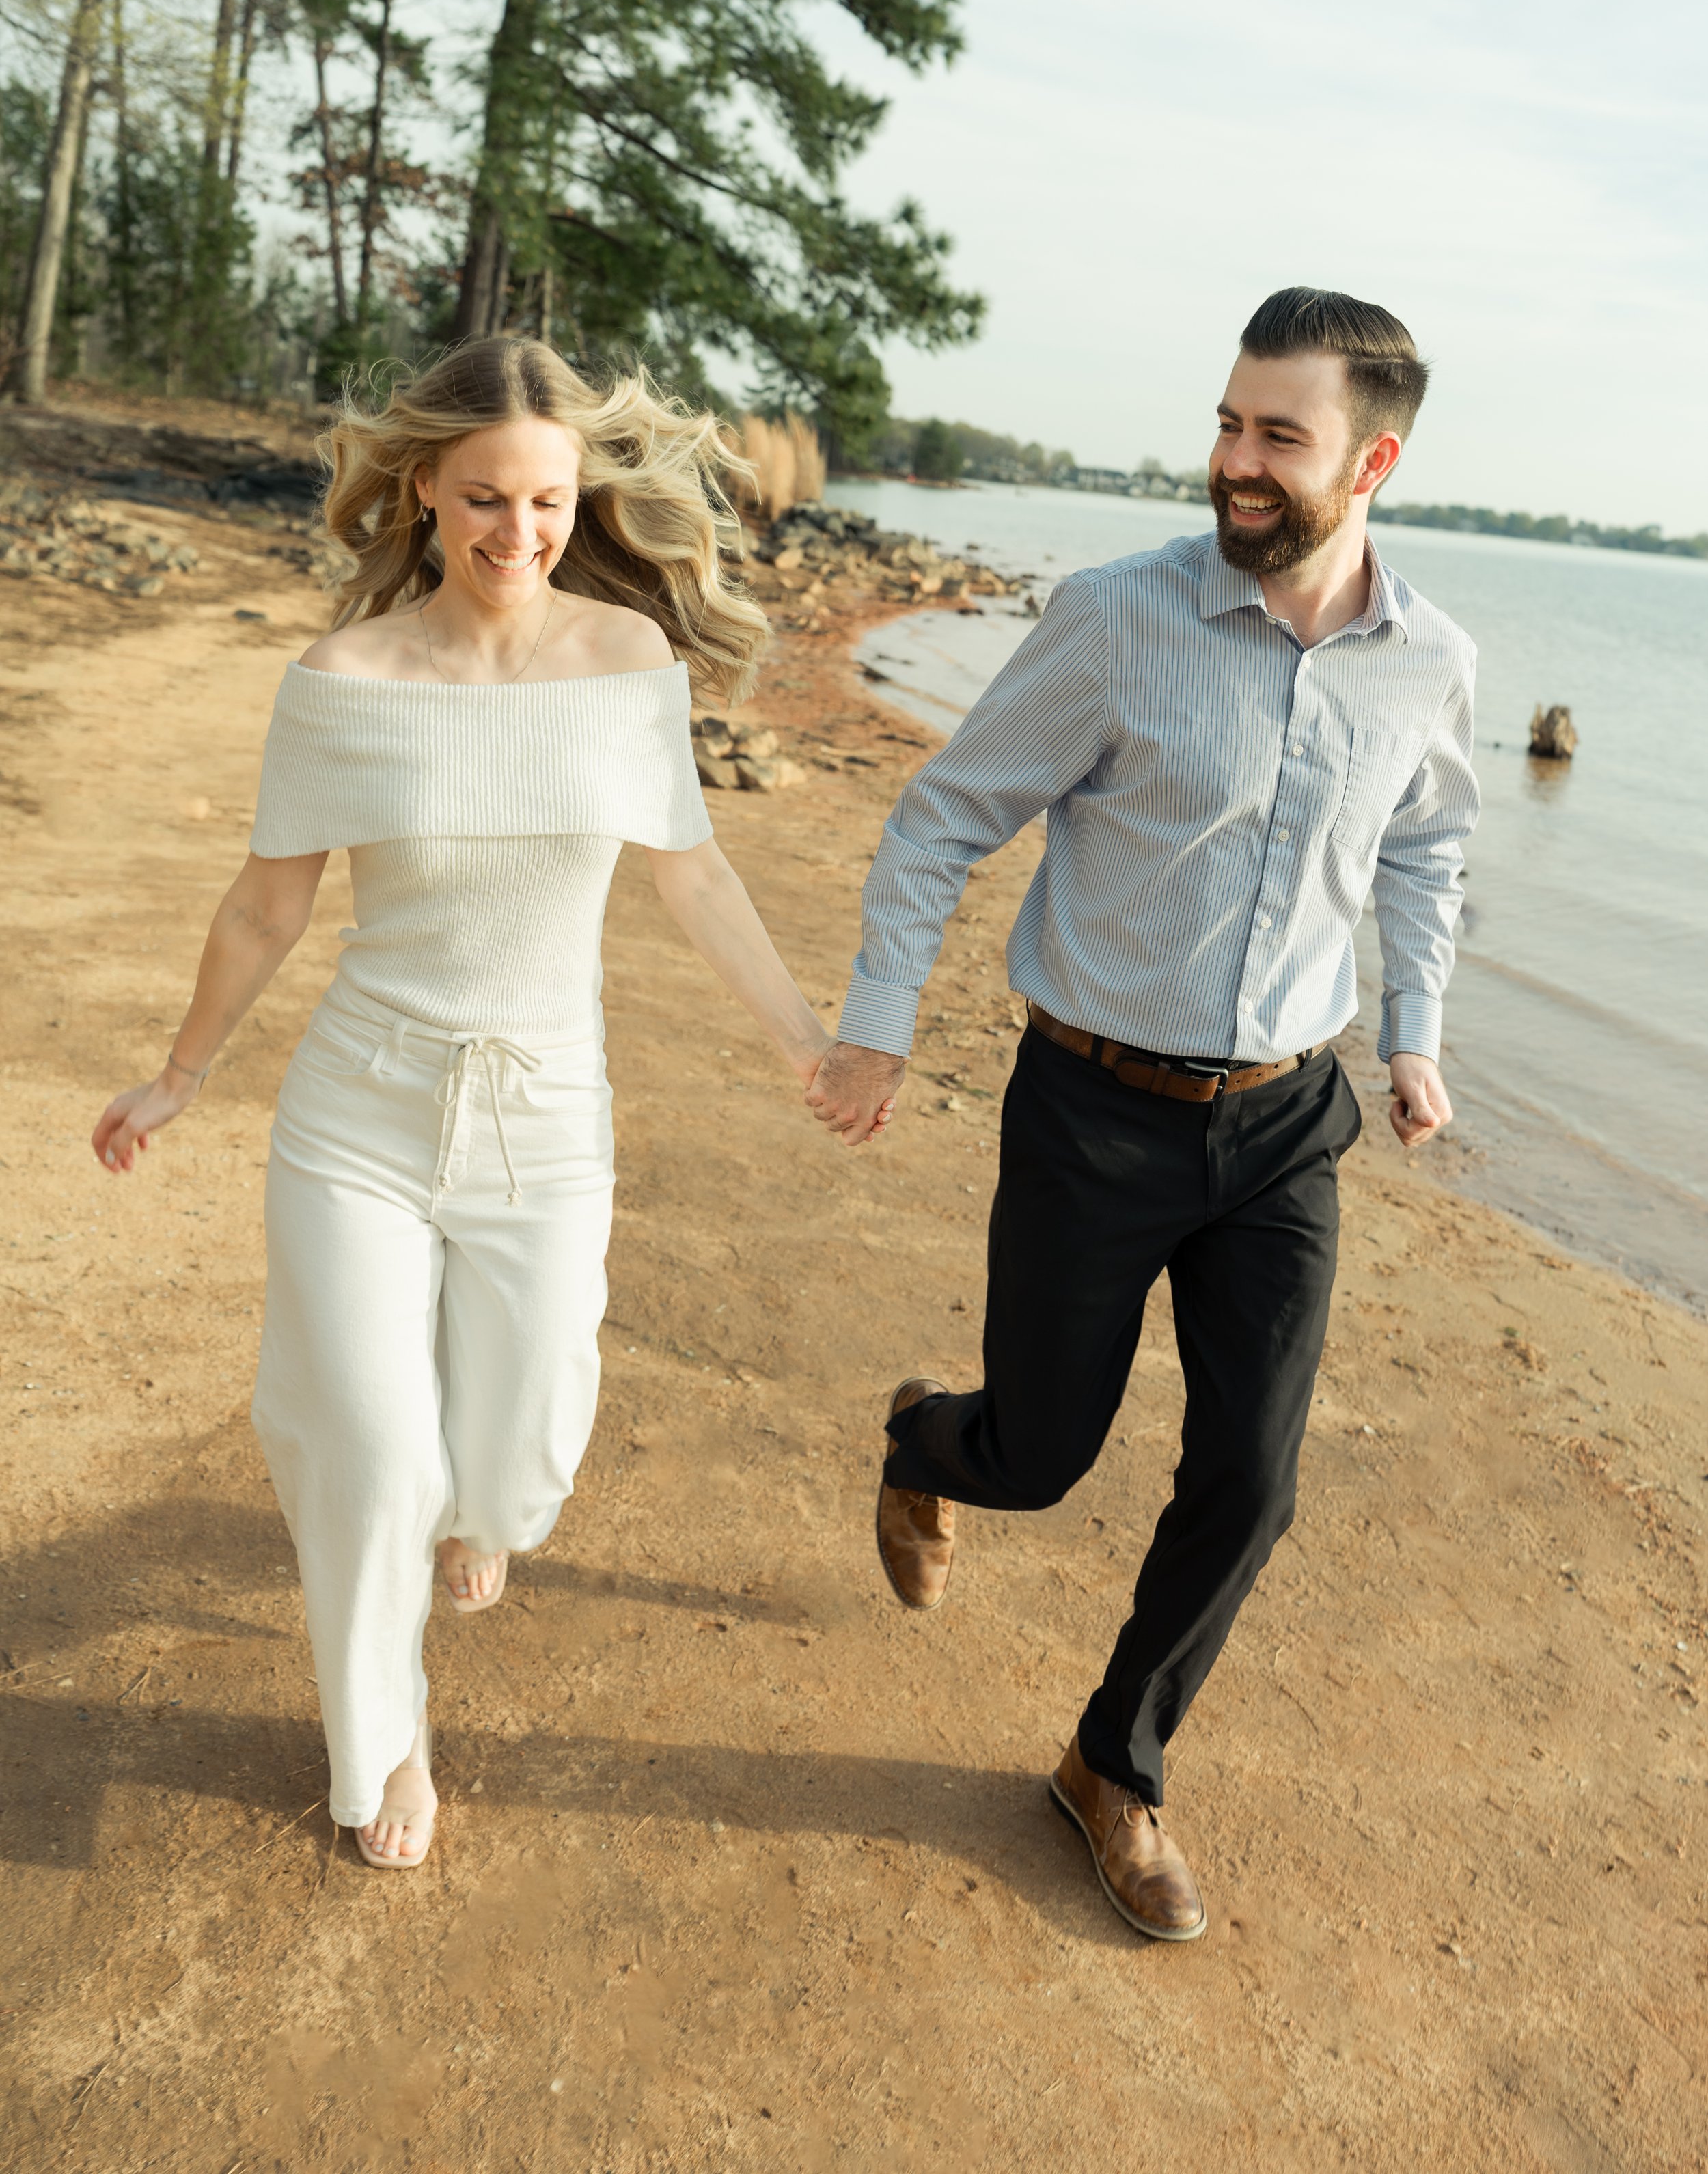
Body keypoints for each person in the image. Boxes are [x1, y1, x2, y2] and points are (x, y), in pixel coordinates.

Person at [92, 338, 828, 1871]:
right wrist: (179, 1076)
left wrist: (805, 1043)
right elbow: (264, 907)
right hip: (358, 1108)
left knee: (515, 1454)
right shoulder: (346, 682)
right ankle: (385, 1744)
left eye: (547, 501)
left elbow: (689, 873)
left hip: (547, 1113)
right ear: (421, 488)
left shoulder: (625, 665)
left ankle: (481, 1511)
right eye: (484, 499)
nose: (517, 533)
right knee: (369, 1450)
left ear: (581, 495)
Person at [806, 287, 1479, 1940]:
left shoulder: (1430, 663)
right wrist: (877, 1029)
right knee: (1038, 1456)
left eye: (1278, 438)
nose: (1232, 464)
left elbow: (1424, 844)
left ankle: (1113, 1766)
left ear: (1372, 460)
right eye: (1228, 425)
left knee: (1248, 1481)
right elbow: (945, 813)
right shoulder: (1114, 618)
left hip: (1282, 1128)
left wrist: (1411, 1033)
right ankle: (925, 1444)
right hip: (1088, 1113)